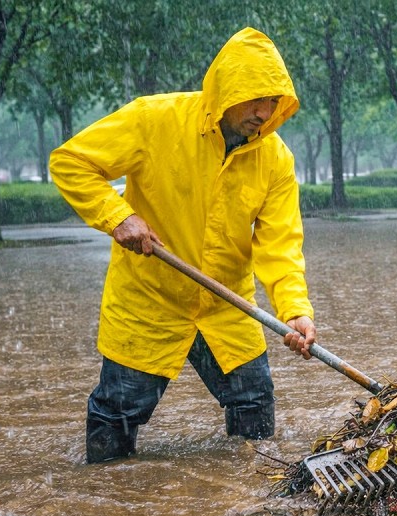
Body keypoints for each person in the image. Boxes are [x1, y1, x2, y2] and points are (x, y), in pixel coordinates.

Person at [50, 28, 316, 463]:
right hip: (149, 301)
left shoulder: (275, 160)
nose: (265, 112)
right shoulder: (154, 120)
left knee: (255, 413)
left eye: (274, 102)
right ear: (229, 88)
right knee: (117, 416)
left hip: (226, 306)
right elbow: (70, 161)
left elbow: (280, 245)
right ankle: (104, 505)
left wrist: (295, 311)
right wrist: (119, 216)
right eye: (256, 98)